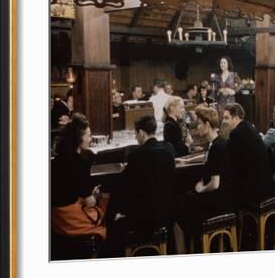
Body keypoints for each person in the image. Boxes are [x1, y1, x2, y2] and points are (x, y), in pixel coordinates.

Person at [106, 115, 176, 256]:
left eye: (136, 134)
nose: (136, 138)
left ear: (141, 133)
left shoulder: (136, 155)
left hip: (144, 219)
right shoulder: (168, 152)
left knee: (113, 227)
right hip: (166, 215)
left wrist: (110, 214)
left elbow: (123, 189)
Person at [174, 105, 233, 253]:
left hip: (217, 203)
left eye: (199, 123)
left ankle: (185, 253)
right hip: (225, 197)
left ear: (207, 124)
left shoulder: (217, 148)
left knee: (176, 207)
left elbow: (215, 184)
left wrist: (201, 189)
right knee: (183, 199)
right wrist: (187, 161)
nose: (197, 127)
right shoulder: (218, 143)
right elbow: (207, 156)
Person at [51, 114, 108, 259]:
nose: (90, 139)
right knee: (105, 211)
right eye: (88, 136)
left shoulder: (55, 161)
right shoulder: (80, 164)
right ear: (79, 138)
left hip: (56, 219)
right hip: (72, 221)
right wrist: (95, 194)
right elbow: (89, 202)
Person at [223, 103, 275, 207]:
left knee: (226, 191)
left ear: (236, 118)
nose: (224, 121)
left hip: (255, 190)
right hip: (266, 185)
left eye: (226, 118)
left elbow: (225, 155)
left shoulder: (237, 133)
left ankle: (235, 221)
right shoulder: (249, 127)